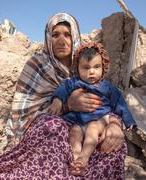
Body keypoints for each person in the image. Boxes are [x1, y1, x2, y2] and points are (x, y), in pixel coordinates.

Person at [0, 12, 128, 179]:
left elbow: (108, 102)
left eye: (67, 35)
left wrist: (114, 124)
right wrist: (67, 105)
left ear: (75, 37)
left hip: (90, 126)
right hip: (55, 127)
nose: (61, 41)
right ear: (48, 38)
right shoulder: (37, 65)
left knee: (113, 142)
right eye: (55, 35)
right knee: (53, 128)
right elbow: (26, 113)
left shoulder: (88, 67)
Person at [48, 42, 136, 176]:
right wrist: (57, 101)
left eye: (96, 67)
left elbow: (119, 103)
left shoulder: (107, 87)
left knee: (92, 131)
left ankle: (84, 157)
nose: (91, 71)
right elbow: (63, 89)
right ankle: (75, 160)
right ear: (77, 68)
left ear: (103, 67)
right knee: (74, 134)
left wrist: (129, 121)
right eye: (86, 67)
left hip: (98, 119)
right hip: (77, 121)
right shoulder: (74, 82)